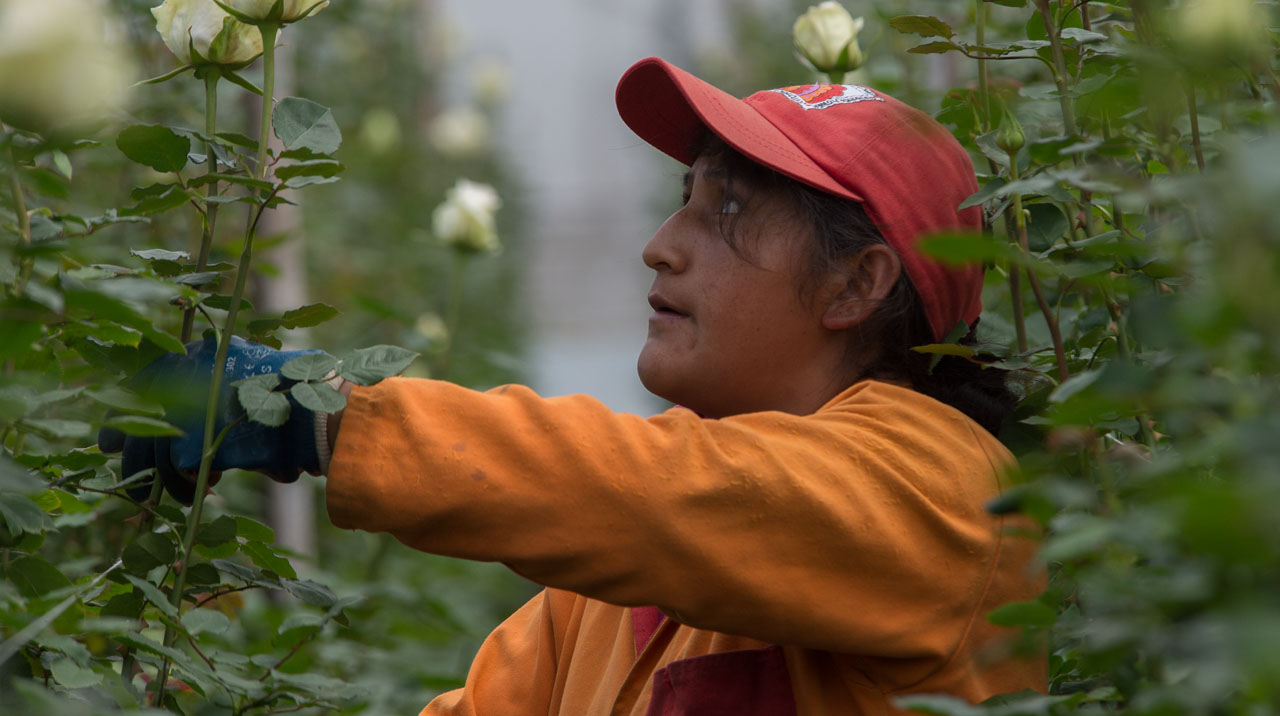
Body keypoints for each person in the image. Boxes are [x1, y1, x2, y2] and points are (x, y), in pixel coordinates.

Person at [102, 57, 1047, 715]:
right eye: (684, 199)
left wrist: (316, 415)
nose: (660, 244)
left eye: (726, 210)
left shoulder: (946, 487)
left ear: (857, 283)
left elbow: (673, 492)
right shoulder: (609, 596)